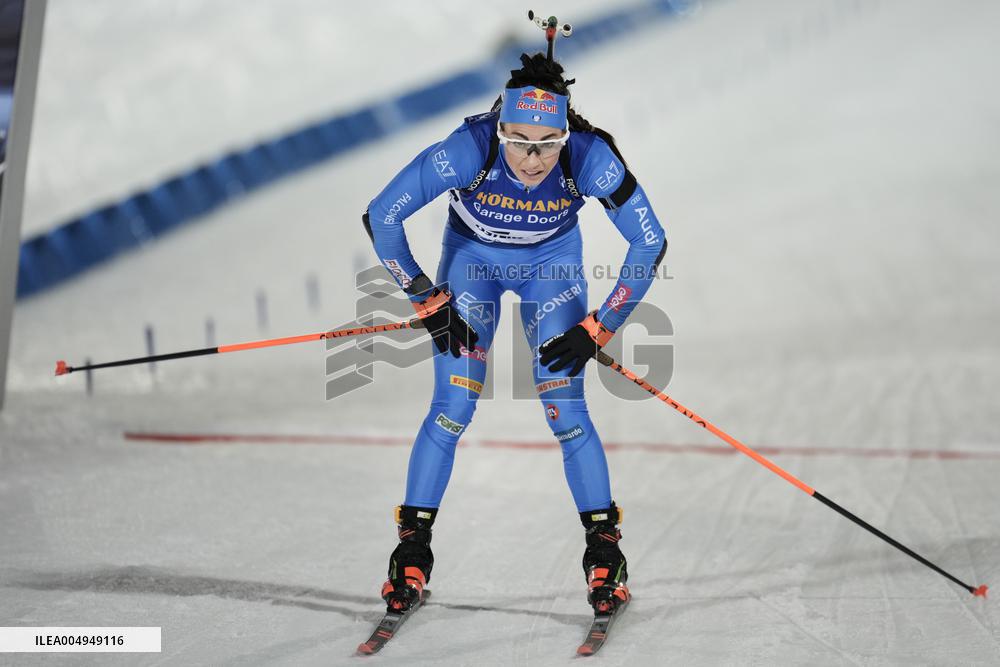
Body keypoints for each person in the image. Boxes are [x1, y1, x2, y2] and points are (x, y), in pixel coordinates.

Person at [363, 52, 666, 615]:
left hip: (550, 268)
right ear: (500, 127)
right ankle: (410, 552)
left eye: (548, 143)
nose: (532, 159)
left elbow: (650, 242)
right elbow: (381, 216)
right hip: (471, 266)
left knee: (564, 407)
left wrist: (601, 327)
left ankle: (604, 553)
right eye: (519, 141)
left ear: (566, 132)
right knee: (453, 404)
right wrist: (426, 298)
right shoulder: (468, 150)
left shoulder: (590, 157)